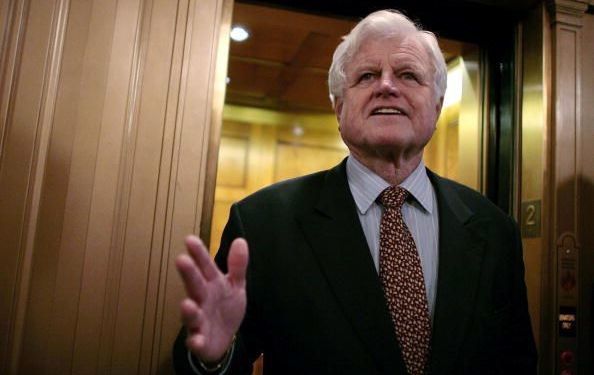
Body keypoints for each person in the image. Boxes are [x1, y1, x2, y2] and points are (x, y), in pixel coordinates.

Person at [173, 9, 537, 375]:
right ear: (339, 107)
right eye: (367, 75)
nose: (387, 86)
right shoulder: (263, 223)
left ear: (438, 106)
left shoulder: (495, 230)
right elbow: (210, 356)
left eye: (408, 75)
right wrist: (214, 357)